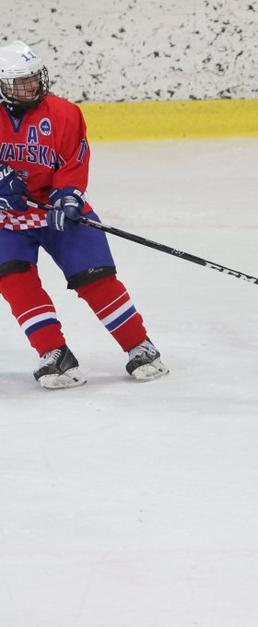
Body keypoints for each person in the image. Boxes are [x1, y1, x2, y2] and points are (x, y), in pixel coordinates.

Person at [0, 40, 167, 389]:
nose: (31, 85)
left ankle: (140, 346)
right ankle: (54, 353)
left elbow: (74, 161)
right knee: (14, 280)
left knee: (94, 277)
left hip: (56, 212)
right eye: (21, 81)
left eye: (34, 77)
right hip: (8, 221)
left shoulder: (64, 113)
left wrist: (68, 196)